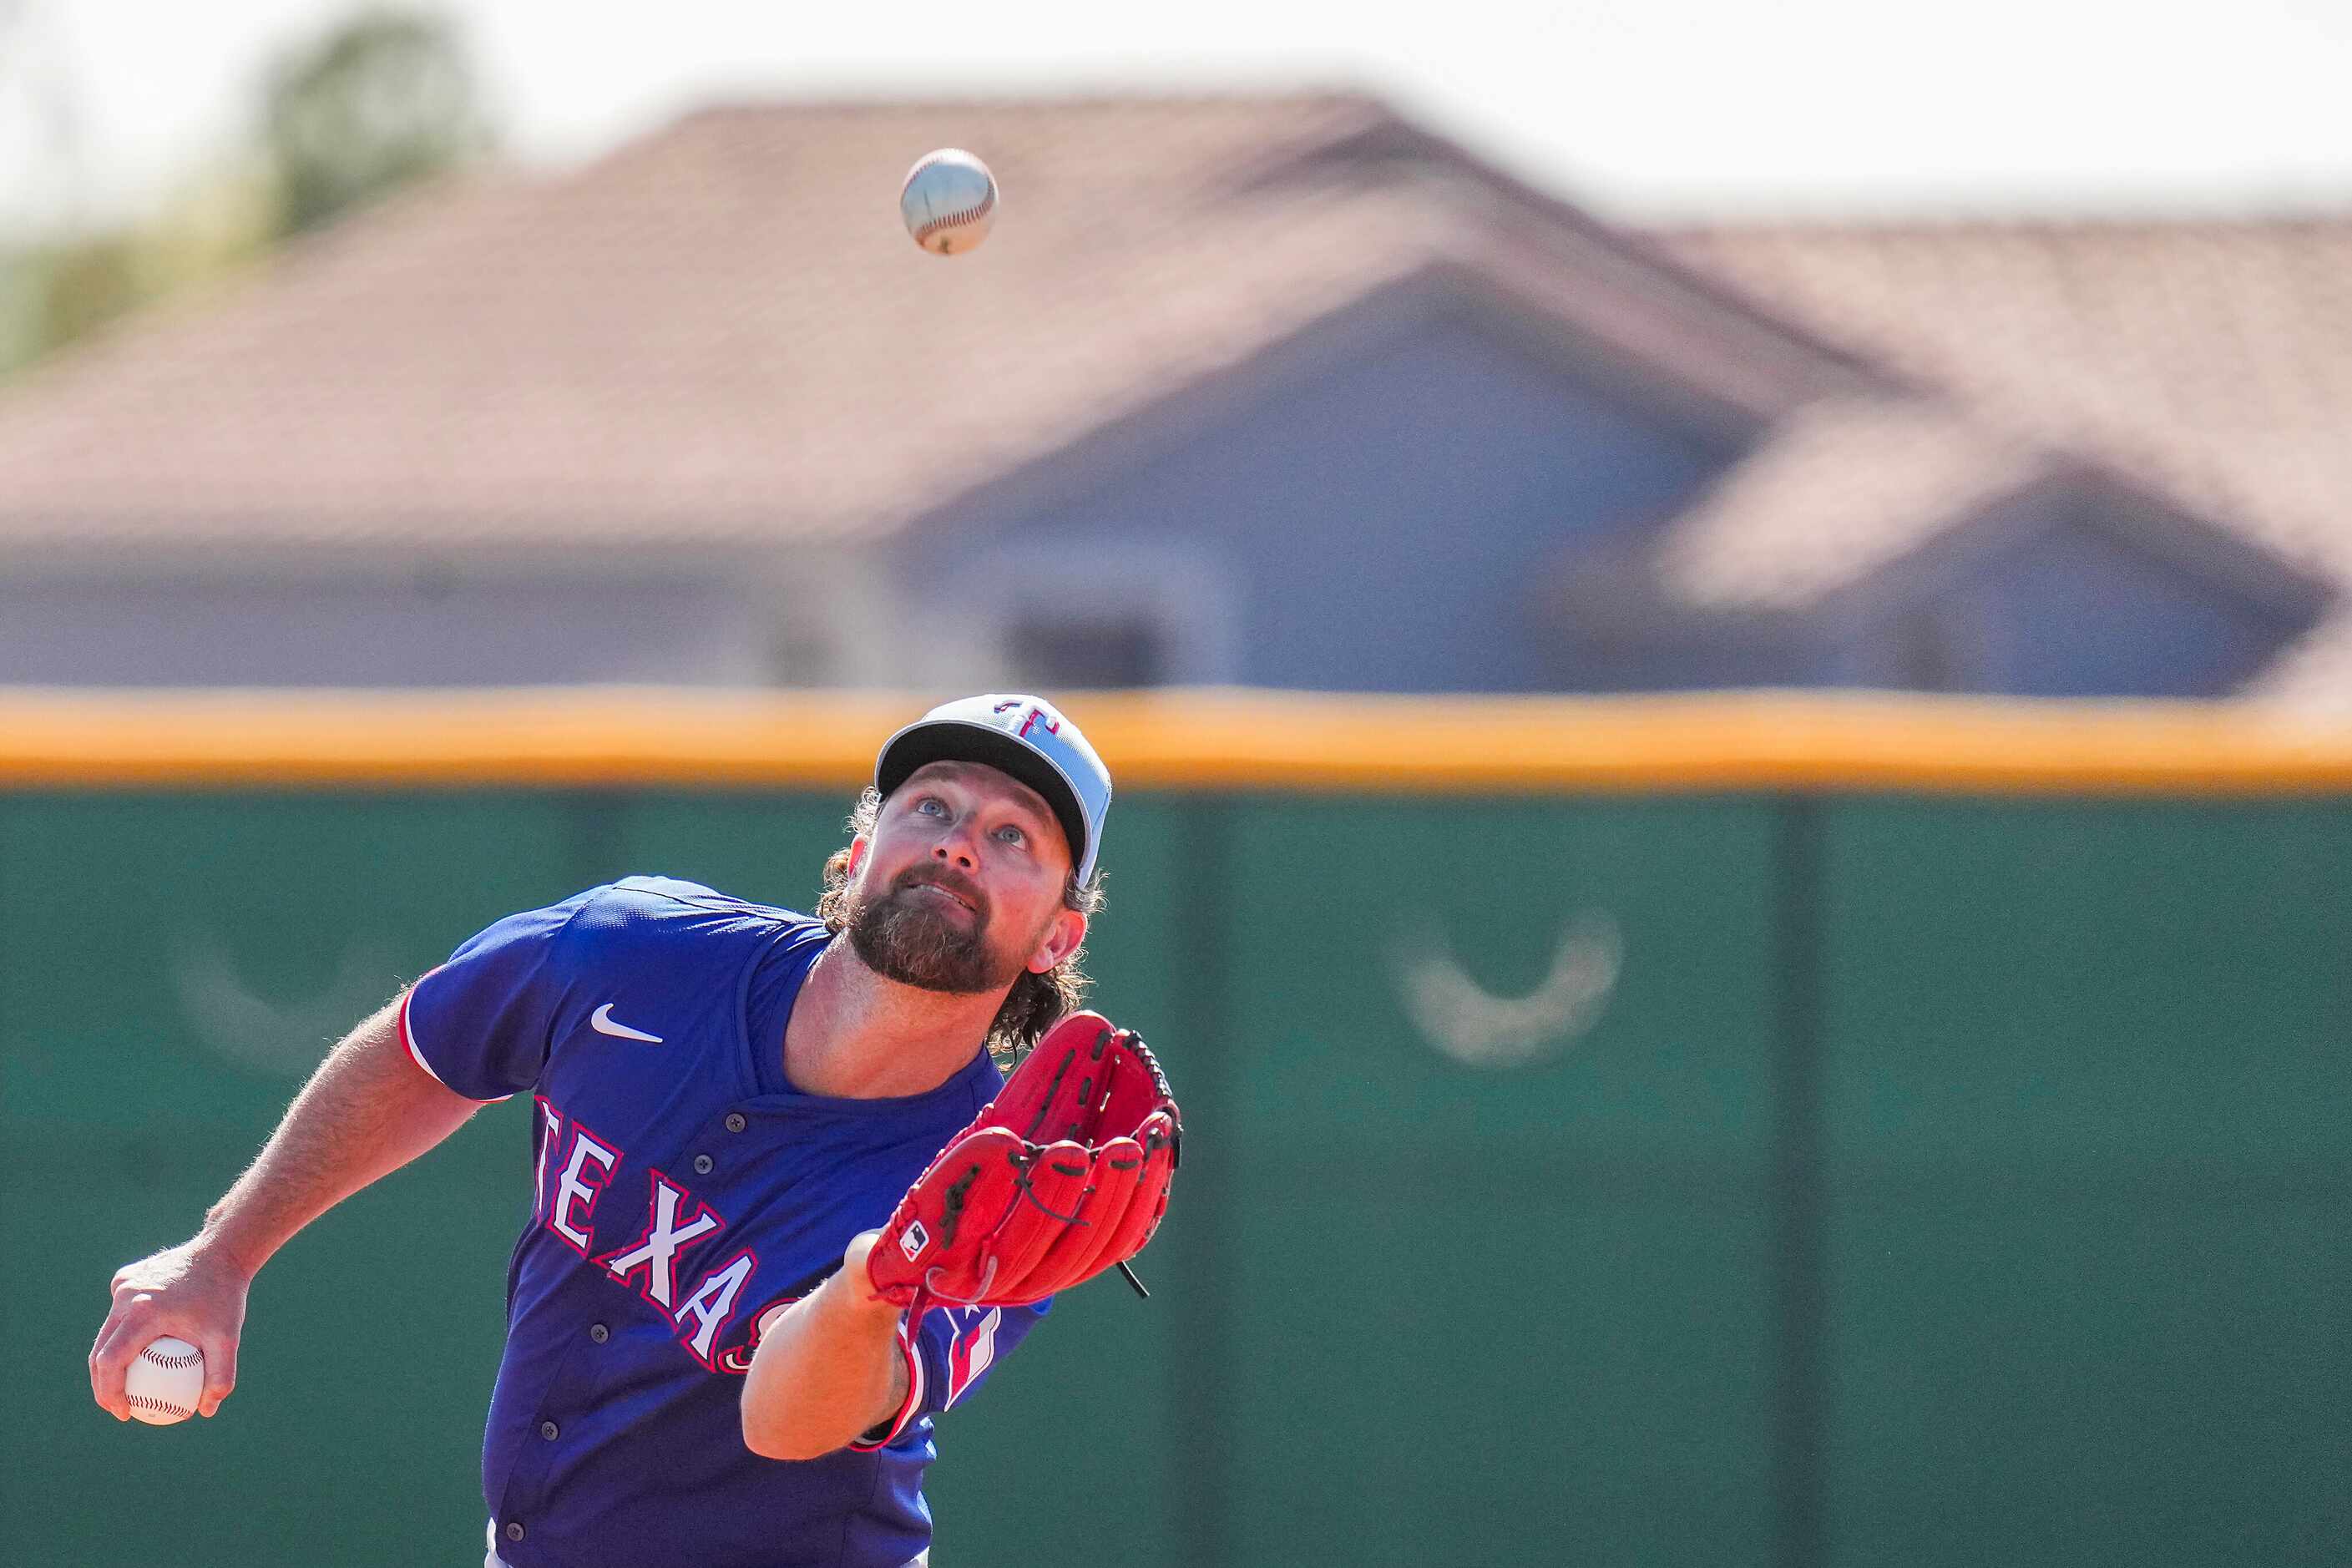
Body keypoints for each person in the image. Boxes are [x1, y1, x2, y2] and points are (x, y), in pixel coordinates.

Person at [89, 693, 1117, 1568]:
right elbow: (425, 1047)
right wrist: (224, 1253)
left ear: (1056, 937)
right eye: (931, 805)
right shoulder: (635, 954)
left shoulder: (997, 1189)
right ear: (856, 856)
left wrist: (864, 1289)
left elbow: (791, 1423)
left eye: (1012, 836)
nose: (955, 842)